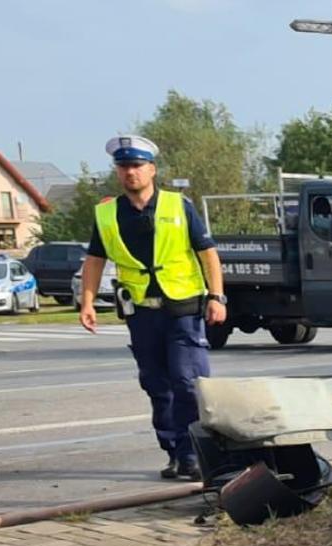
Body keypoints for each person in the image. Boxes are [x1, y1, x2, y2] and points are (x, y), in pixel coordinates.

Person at [78, 135, 227, 481]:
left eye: (137, 166)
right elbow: (95, 259)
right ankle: (174, 451)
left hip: (184, 309)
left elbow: (208, 254)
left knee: (188, 382)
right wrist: (87, 301)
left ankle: (194, 453)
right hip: (142, 312)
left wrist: (217, 297)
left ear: (152, 170)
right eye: (124, 166)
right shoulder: (107, 214)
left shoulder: (178, 206)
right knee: (156, 385)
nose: (130, 172)